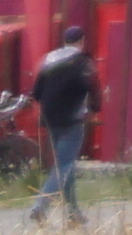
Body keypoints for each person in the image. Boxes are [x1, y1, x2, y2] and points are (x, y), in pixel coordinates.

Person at [28, 27, 97, 216]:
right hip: (72, 120)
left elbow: (37, 93)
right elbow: (90, 87)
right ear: (81, 40)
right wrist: (95, 109)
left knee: (67, 165)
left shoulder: (48, 59)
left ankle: (73, 212)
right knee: (64, 165)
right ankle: (40, 206)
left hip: (50, 120)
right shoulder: (83, 61)